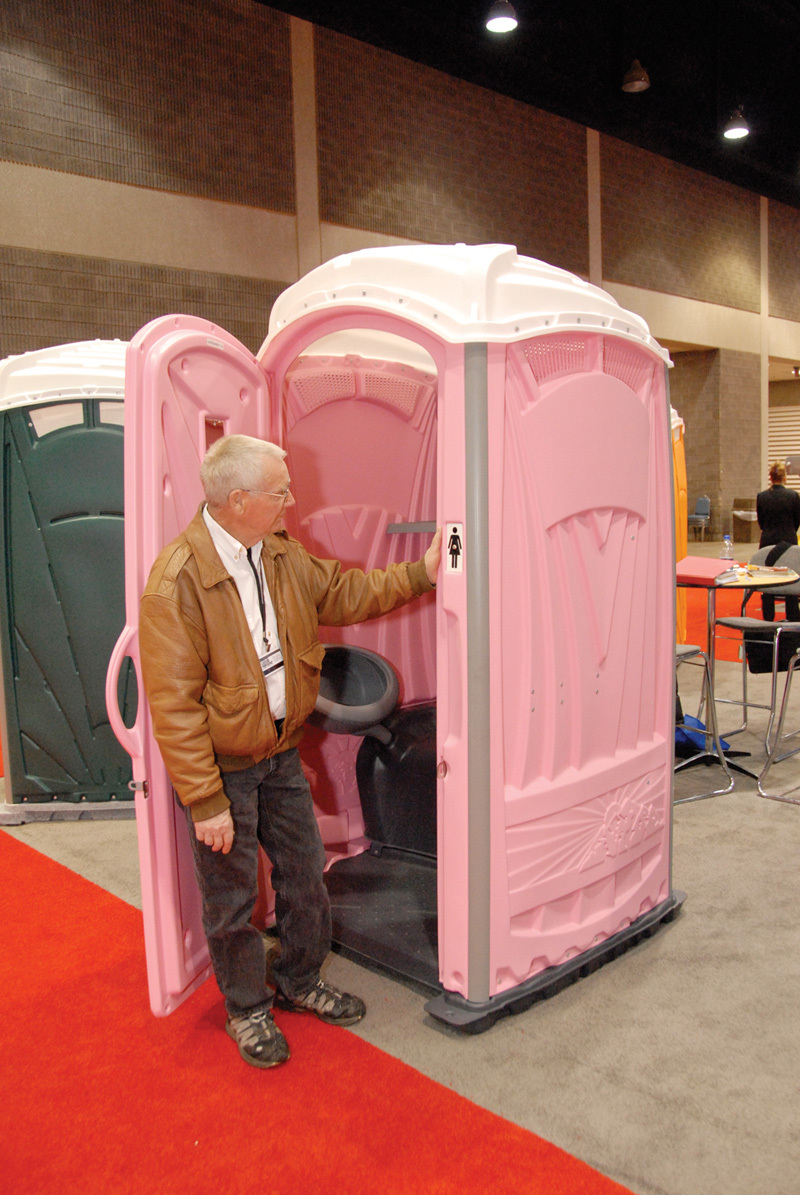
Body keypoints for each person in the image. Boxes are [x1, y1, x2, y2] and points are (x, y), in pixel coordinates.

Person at [138, 434, 441, 1069]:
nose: (291, 501)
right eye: (280, 492)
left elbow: (347, 592)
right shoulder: (176, 582)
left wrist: (423, 573)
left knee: (305, 877)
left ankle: (299, 980)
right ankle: (247, 1008)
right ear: (238, 499)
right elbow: (173, 705)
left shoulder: (278, 552)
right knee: (230, 901)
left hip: (278, 755)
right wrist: (204, 799)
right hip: (221, 771)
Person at [756, 463, 800, 620]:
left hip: (768, 541)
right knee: (791, 578)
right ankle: (793, 616)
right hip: (788, 540)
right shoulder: (793, 496)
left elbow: (761, 522)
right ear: (784, 477)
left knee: (767, 580)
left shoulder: (762, 497)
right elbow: (797, 521)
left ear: (770, 477)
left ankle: (768, 617)